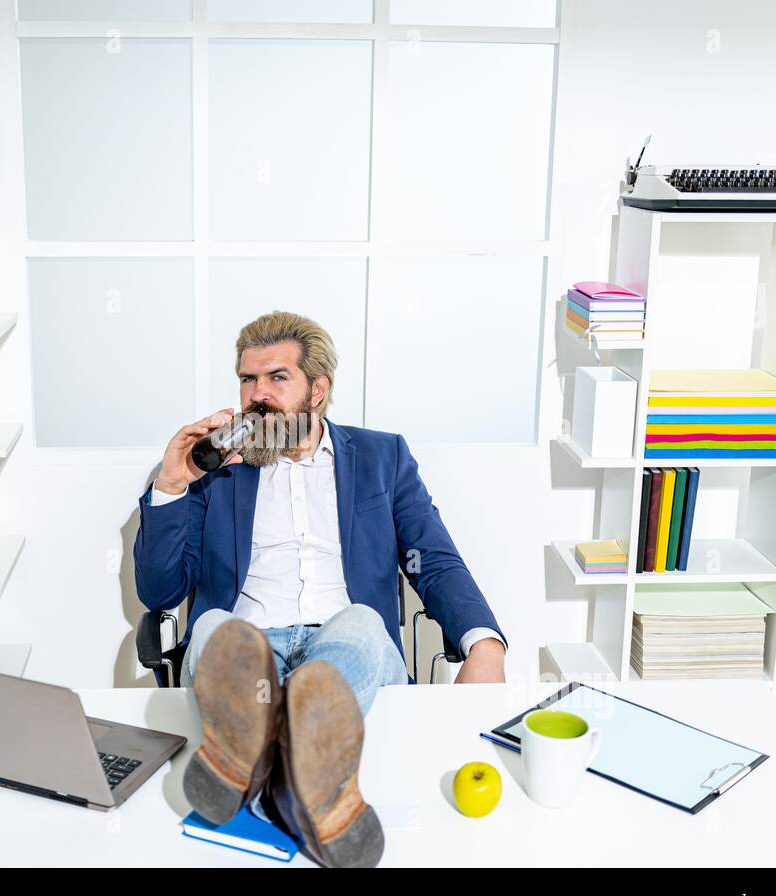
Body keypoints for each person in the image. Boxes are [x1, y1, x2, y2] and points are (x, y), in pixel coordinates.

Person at [133, 310, 506, 867]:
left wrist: (484, 643)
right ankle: (307, 779)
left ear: (317, 389)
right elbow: (160, 591)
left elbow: (435, 560)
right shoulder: (215, 467)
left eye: (276, 378)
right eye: (247, 380)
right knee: (213, 627)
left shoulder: (383, 458)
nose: (257, 396)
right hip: (246, 652)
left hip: (349, 652)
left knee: (359, 622)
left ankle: (262, 760)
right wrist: (170, 485)